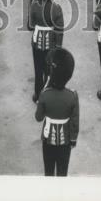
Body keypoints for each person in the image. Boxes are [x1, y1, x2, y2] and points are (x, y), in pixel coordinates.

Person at [35, 47, 79, 177]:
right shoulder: (72, 96)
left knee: (48, 172)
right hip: (65, 140)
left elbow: (38, 117)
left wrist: (41, 98)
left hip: (48, 139)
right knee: (62, 173)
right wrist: (73, 139)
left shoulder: (44, 95)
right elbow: (74, 122)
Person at [28, 0, 64, 102]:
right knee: (49, 71)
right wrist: (58, 46)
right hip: (51, 43)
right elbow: (59, 30)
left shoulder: (34, 5)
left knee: (38, 70)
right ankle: (48, 95)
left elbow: (30, 26)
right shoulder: (56, 8)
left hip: (37, 41)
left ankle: (37, 94)